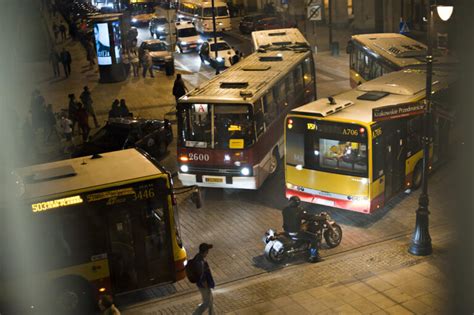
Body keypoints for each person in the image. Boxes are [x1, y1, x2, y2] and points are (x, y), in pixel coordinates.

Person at [282, 196, 322, 263]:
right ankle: (314, 256)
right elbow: (309, 217)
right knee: (314, 238)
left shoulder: (285, 209)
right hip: (296, 232)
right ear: (298, 203)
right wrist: (319, 217)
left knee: (304, 229)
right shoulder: (299, 211)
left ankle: (305, 246)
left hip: (287, 230)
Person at [193, 243, 215, 315]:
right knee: (206, 303)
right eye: (207, 251)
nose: (208, 252)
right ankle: (196, 314)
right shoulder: (200, 261)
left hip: (204, 285)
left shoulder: (198, 257)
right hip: (204, 286)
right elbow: (201, 276)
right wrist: (205, 285)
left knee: (210, 301)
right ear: (205, 251)